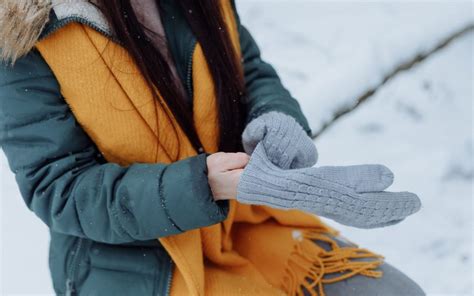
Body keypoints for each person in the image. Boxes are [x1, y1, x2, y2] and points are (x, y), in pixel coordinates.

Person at [0, 0, 425, 295]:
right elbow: (60, 189)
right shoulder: (24, 36)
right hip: (134, 265)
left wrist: (274, 120)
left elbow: (249, 67)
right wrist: (201, 185)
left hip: (249, 218)